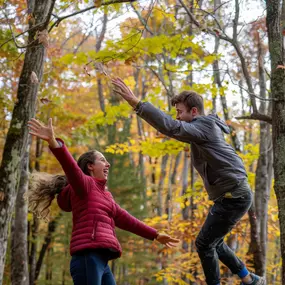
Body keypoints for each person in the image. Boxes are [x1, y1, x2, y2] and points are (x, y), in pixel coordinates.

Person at [111, 77, 265, 285]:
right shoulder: (204, 129)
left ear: (194, 111)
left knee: (203, 244)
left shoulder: (205, 126)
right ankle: (250, 279)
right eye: (176, 113)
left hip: (234, 195)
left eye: (180, 112)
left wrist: (138, 104)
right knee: (214, 242)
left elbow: (172, 128)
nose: (178, 117)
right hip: (231, 194)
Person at [27, 118, 179, 285]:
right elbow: (70, 166)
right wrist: (53, 142)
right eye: (102, 160)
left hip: (101, 261)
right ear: (90, 166)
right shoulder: (85, 185)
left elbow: (128, 220)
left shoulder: (106, 196)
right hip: (87, 257)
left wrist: (155, 234)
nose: (108, 164)